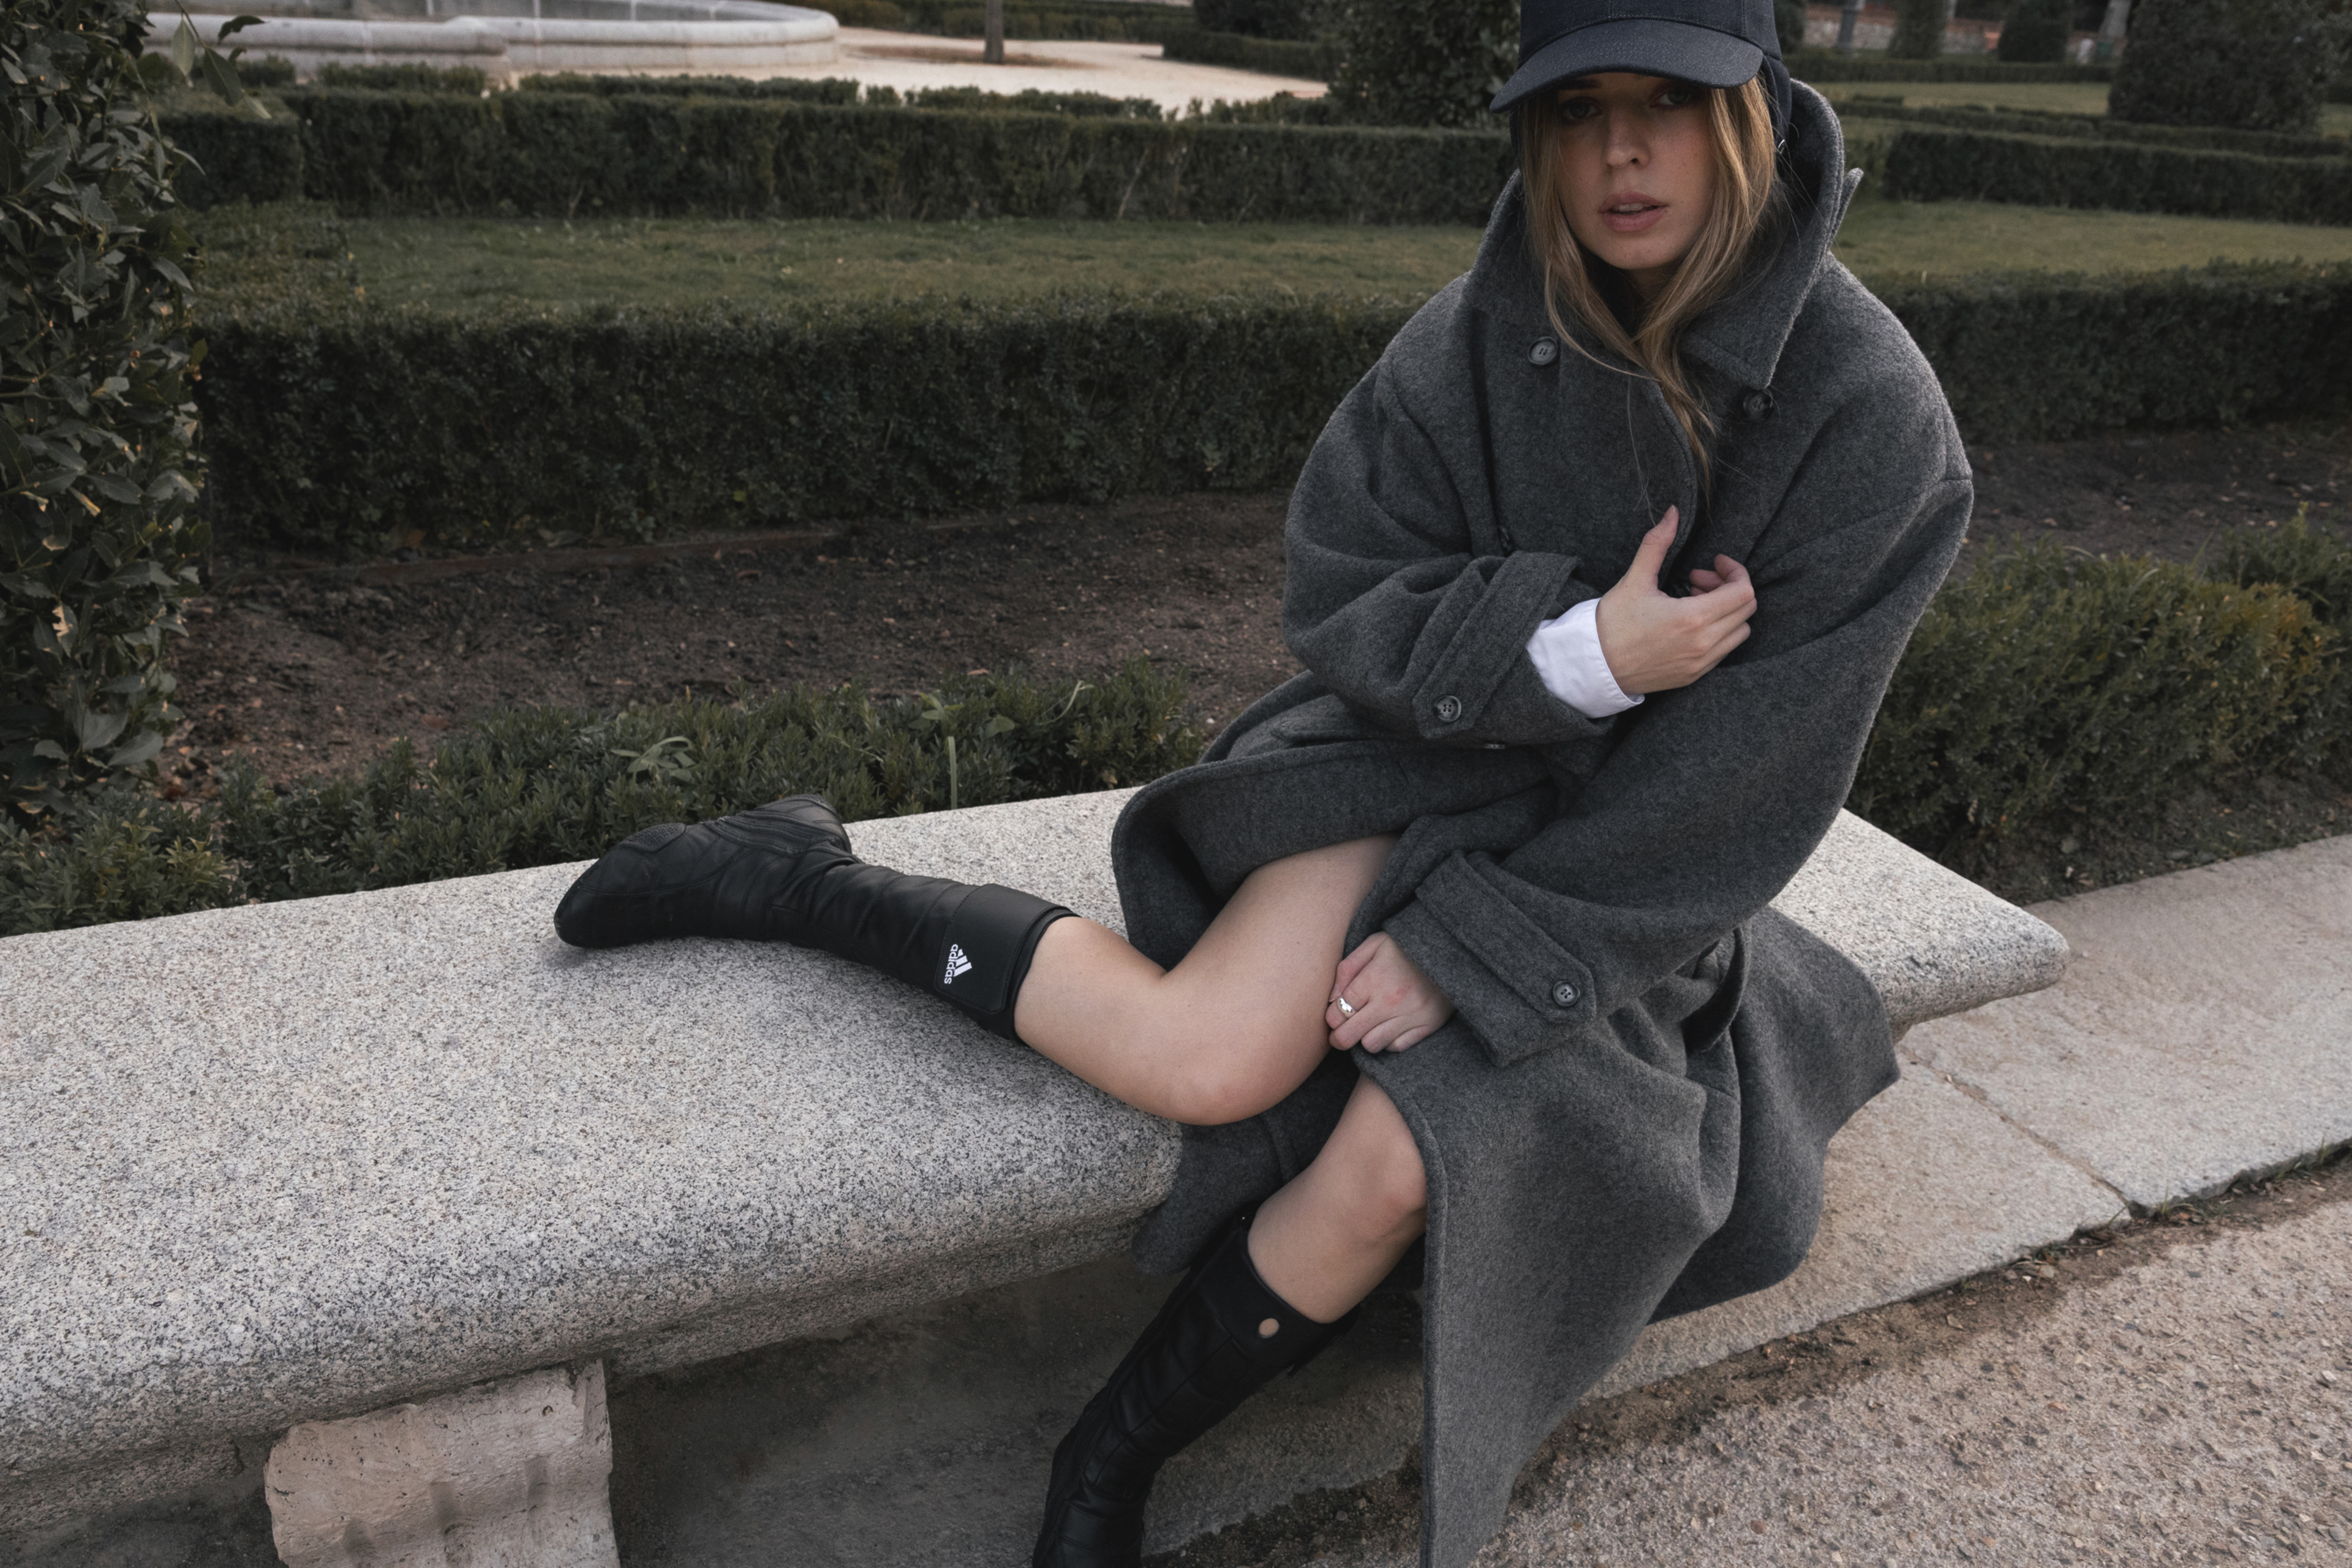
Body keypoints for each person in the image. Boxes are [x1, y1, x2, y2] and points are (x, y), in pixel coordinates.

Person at [552, 0, 1971, 1562]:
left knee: (1397, 1150)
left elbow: (1746, 790)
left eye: (1670, 103)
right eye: (1578, 110)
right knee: (1211, 1054)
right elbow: (1340, 584)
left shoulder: (1871, 417)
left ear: (1756, 109)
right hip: (1402, 767)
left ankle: (1111, 1454)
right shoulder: (1476, 333)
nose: (1620, 152)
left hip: (1618, 889)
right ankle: (797, 874)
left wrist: (1470, 951)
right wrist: (1582, 654)